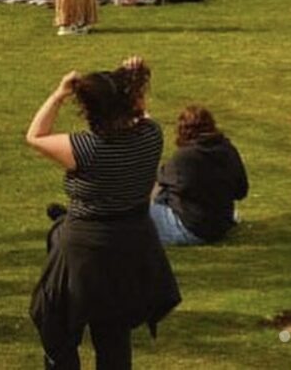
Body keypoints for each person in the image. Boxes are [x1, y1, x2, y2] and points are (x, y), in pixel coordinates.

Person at [27, 58, 181, 363]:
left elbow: (36, 135)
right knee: (113, 333)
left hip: (85, 247)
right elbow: (142, 113)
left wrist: (59, 95)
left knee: (57, 328)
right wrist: (132, 79)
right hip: (131, 242)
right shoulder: (151, 136)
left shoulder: (84, 148)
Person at [150, 106, 249, 246]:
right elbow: (241, 191)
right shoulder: (228, 149)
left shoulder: (184, 157)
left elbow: (161, 178)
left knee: (139, 213)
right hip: (221, 224)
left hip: (193, 229)